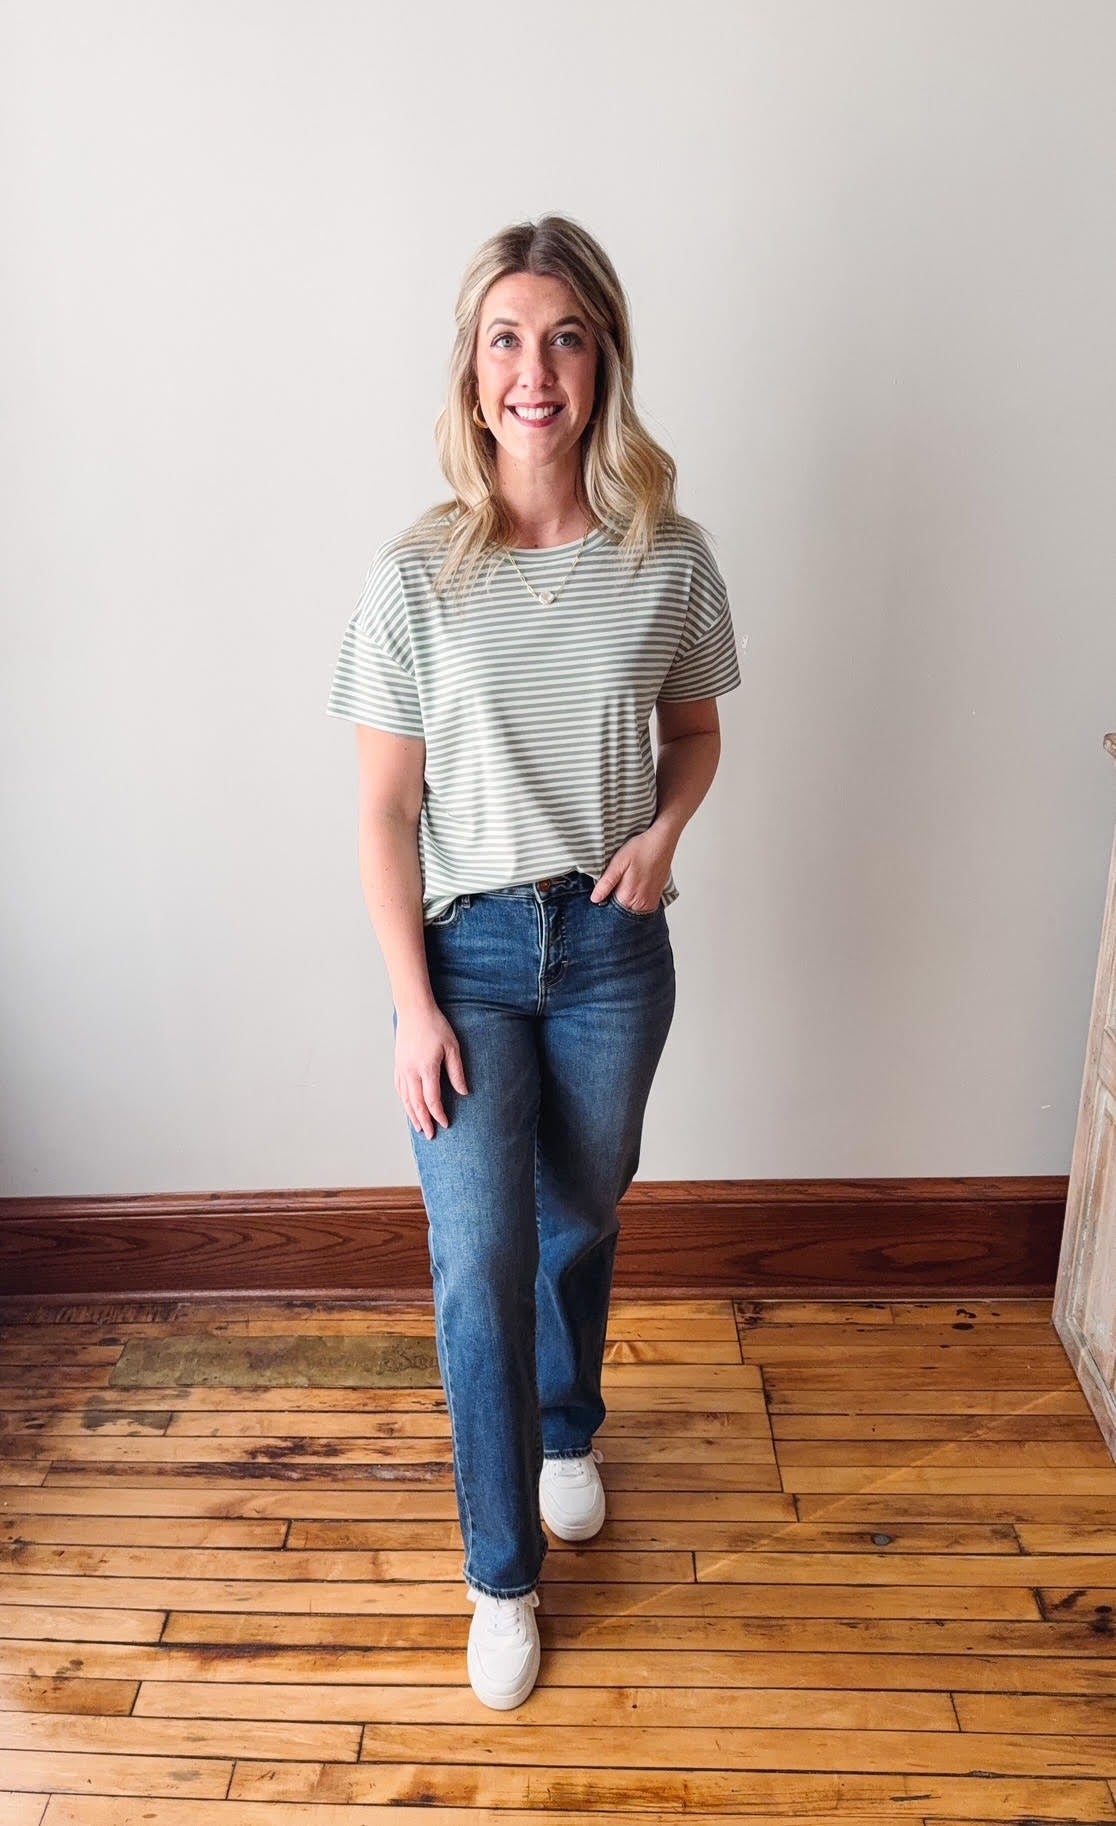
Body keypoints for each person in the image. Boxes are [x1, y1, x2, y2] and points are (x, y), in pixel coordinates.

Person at [326, 214, 744, 1710]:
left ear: (603, 360)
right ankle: (501, 1574)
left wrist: (666, 836)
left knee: (580, 1210)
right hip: (468, 951)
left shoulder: (668, 560)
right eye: (506, 337)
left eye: (564, 335)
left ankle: (571, 1425)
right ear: (472, 368)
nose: (534, 369)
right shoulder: (415, 577)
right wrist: (413, 1008)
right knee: (477, 1255)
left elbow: (693, 734)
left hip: (618, 952)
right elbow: (382, 808)